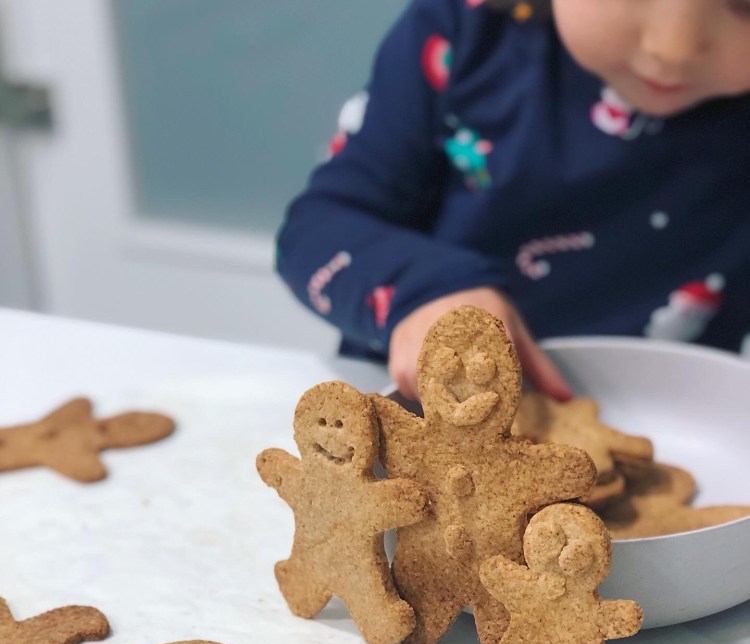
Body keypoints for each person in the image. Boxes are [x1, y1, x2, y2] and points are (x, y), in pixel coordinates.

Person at [275, 0, 750, 400]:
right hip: (405, 421)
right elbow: (318, 227)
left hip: (677, 434)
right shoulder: (462, 32)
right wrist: (419, 290)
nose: (672, 49)